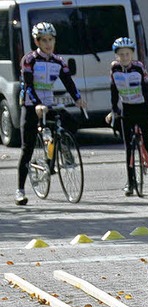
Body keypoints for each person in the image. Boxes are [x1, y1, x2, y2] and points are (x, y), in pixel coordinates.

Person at [15, 22, 87, 206]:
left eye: (51, 40)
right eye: (44, 40)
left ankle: (60, 149)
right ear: (37, 42)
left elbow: (68, 82)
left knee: (69, 121)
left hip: (48, 103)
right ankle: (20, 190)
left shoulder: (58, 61)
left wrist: (78, 98)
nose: (48, 44)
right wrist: (37, 105)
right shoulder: (29, 60)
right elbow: (28, 85)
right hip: (31, 104)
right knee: (27, 147)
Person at [107, 37, 148, 196]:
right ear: (117, 56)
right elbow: (113, 90)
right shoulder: (114, 68)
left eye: (127, 54)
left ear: (132, 54)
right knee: (128, 148)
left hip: (142, 108)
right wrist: (114, 109)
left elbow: (146, 88)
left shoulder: (139, 68)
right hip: (127, 109)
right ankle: (131, 183)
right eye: (121, 55)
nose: (124, 58)